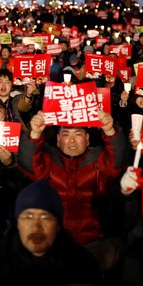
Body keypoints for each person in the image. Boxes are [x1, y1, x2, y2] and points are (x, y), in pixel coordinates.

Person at [17, 109, 126, 272]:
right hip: (55, 243)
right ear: (58, 139)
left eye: (78, 134)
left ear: (88, 139)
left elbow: (116, 162)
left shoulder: (99, 159)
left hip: (95, 244)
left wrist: (110, 130)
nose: (72, 141)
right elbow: (30, 164)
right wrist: (34, 134)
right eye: (66, 135)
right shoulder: (49, 160)